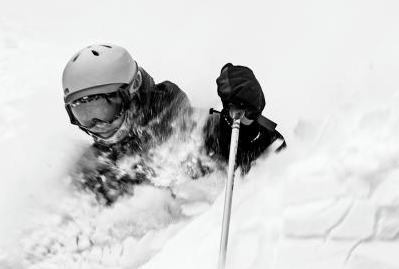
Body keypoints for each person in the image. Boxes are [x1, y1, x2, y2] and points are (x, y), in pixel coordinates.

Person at [61, 43, 285, 204]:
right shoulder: (94, 169)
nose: (98, 124)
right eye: (83, 113)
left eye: (104, 108)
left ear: (133, 90)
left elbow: (272, 154)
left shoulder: (188, 131)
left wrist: (246, 125)